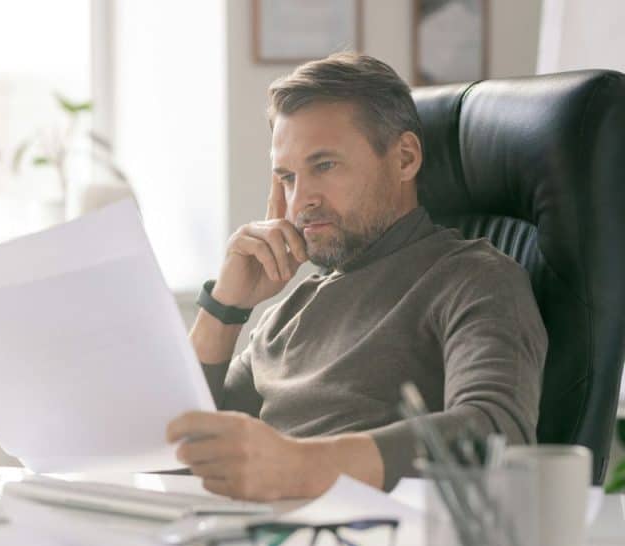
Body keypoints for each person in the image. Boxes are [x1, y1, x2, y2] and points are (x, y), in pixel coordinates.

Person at [166, 52, 546, 501]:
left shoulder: (474, 279)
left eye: (324, 166)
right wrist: (226, 307)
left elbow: (493, 432)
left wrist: (302, 467)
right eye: (287, 177)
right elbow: (178, 445)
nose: (301, 199)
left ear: (405, 158)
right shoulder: (290, 310)